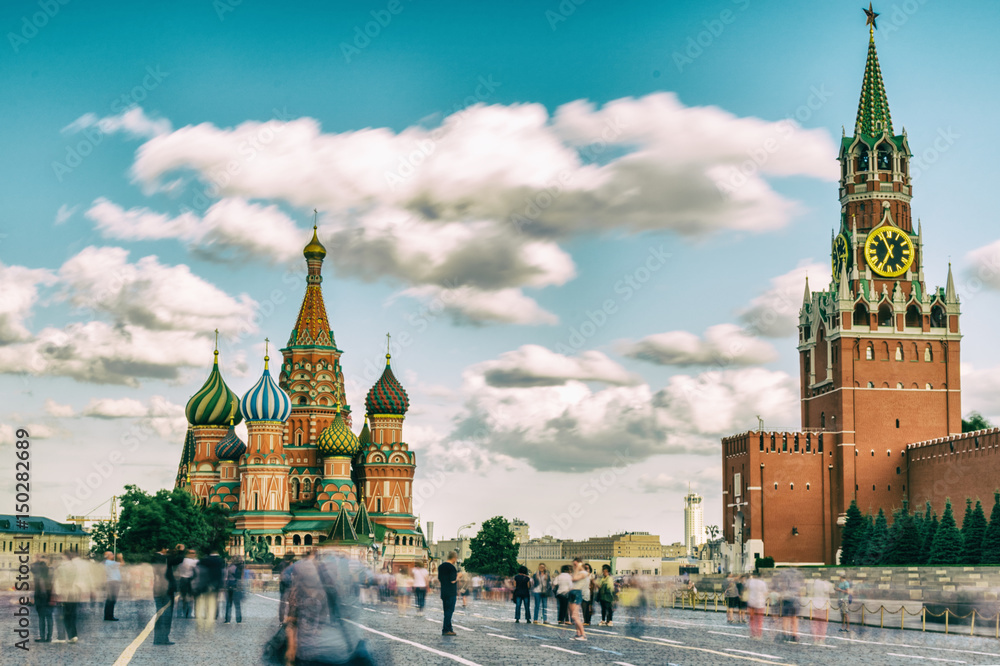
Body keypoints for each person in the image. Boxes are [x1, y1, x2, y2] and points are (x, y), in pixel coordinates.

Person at [284, 550, 362, 665]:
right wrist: (291, 647)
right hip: (311, 650)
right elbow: (292, 621)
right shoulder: (300, 591)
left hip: (326, 650)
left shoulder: (329, 589)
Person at [152, 543, 185, 645]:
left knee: (159, 613)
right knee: (167, 614)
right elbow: (179, 560)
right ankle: (164, 638)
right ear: (162, 548)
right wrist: (181, 550)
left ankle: (157, 638)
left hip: (157, 588)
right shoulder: (165, 559)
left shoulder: (154, 558)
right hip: (166, 589)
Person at [31, 556, 53, 642]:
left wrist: (36, 560)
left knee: (41, 618)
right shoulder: (50, 576)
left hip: (41, 599)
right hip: (49, 597)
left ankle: (42, 636)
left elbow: (32, 568)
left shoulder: (38, 577)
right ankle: (49, 637)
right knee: (49, 617)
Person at [438, 552, 458, 636]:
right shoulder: (452, 568)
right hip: (451, 592)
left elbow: (439, 578)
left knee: (446, 611)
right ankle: (446, 629)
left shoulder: (440, 567)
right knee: (450, 611)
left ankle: (449, 628)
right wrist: (459, 576)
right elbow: (452, 580)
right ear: (454, 558)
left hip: (444, 591)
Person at [569, 557, 588, 641]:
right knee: (573, 616)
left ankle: (583, 634)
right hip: (573, 592)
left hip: (577, 593)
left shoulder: (584, 573)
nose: (574, 566)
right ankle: (578, 633)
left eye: (575, 564)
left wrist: (577, 568)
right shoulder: (578, 572)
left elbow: (574, 579)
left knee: (575, 615)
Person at [175, 548, 197, 618]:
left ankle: (180, 613)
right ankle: (189, 613)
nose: (192, 554)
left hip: (183, 579)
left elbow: (177, 570)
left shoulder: (182, 560)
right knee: (190, 597)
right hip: (190, 579)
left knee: (183, 597)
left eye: (193, 553)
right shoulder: (195, 561)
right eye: (191, 553)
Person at [811, 576, 833, 643]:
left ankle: (815, 639)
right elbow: (831, 592)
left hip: (816, 604)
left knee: (816, 623)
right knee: (823, 623)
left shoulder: (815, 583)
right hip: (825, 605)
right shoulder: (828, 584)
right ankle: (821, 639)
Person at [747, 572, 767, 639]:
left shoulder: (750, 581)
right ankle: (758, 634)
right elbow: (765, 593)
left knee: (752, 619)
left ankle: (753, 634)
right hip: (760, 603)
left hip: (751, 602)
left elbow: (746, 588)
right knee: (759, 620)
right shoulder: (762, 583)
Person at [224, 556, 244, 623]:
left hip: (229, 586)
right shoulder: (239, 568)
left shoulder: (230, 567)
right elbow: (240, 579)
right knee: (237, 605)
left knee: (229, 604)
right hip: (236, 587)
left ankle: (227, 619)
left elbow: (226, 577)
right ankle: (238, 619)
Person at [277, 552, 296, 622]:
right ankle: (287, 618)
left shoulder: (282, 564)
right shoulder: (289, 565)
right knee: (289, 603)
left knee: (283, 603)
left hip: (283, 586)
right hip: (287, 586)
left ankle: (282, 618)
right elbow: (287, 576)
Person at [103, 551, 121, 621]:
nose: (113, 555)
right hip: (113, 583)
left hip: (111, 582)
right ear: (107, 556)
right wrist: (120, 558)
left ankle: (108, 615)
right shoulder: (110, 562)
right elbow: (122, 563)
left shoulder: (108, 563)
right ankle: (109, 616)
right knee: (112, 600)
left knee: (110, 600)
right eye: (111, 554)